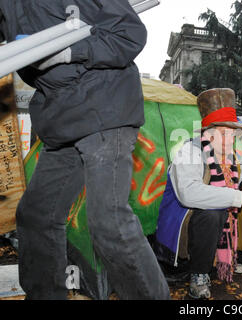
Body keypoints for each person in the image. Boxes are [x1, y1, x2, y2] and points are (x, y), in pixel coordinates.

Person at [0, 1, 170, 299]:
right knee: (36, 215)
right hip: (60, 117)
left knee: (108, 220)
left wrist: (69, 52)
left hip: (105, 105)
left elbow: (129, 33)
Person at [155, 88, 242, 299]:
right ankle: (199, 274)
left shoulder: (227, 154)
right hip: (187, 222)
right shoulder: (189, 151)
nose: (231, 139)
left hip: (218, 214)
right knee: (213, 211)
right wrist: (238, 197)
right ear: (208, 134)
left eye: (233, 134)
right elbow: (189, 194)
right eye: (224, 133)